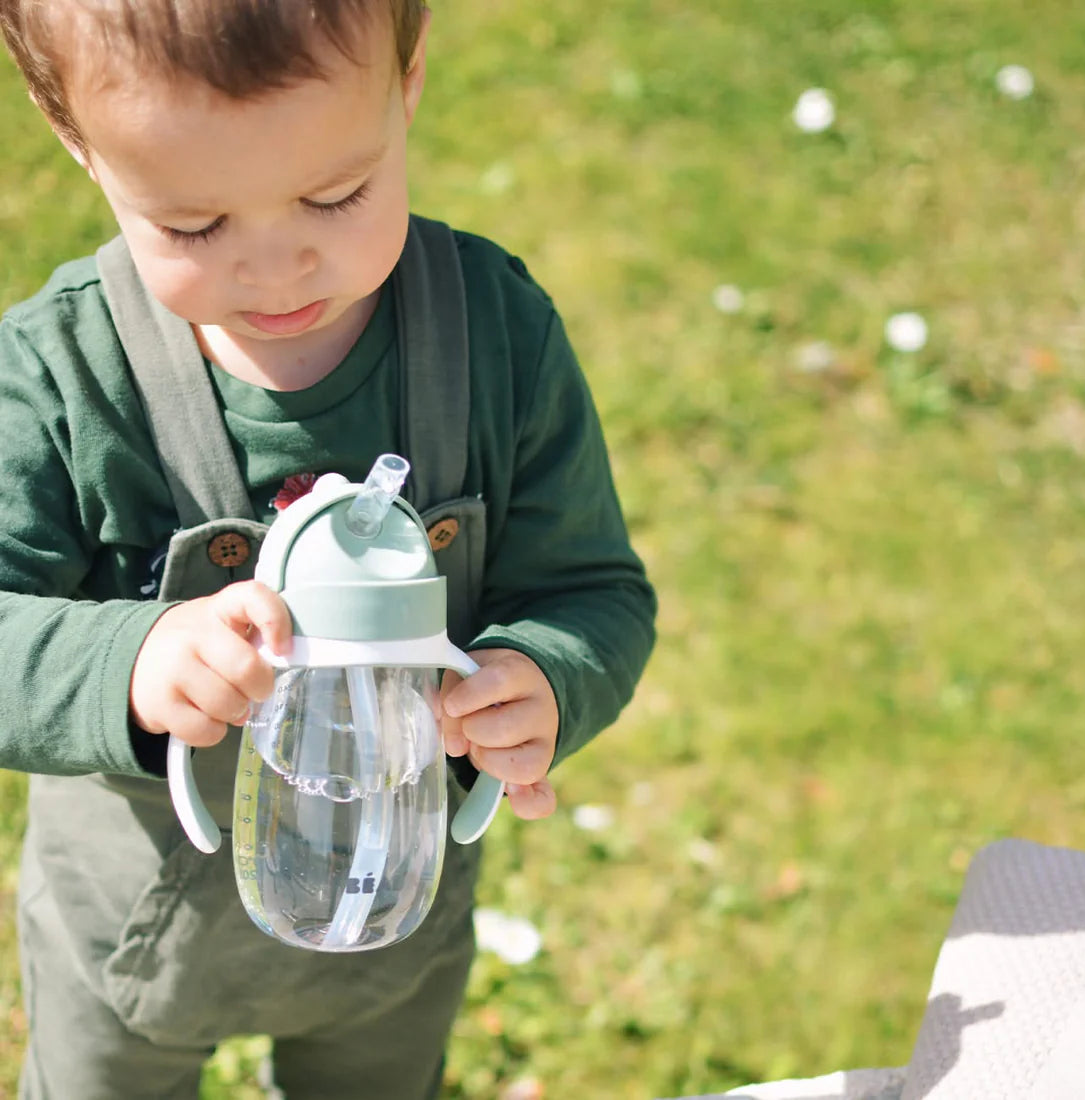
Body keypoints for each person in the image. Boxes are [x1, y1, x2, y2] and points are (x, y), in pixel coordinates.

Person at [0, 1, 657, 1097]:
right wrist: (133, 660)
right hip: (131, 945)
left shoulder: (492, 335)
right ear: (71, 130)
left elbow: (590, 590)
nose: (275, 268)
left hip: (394, 933)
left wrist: (544, 674)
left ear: (406, 79)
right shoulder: (63, 376)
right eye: (194, 226)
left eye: (335, 195)